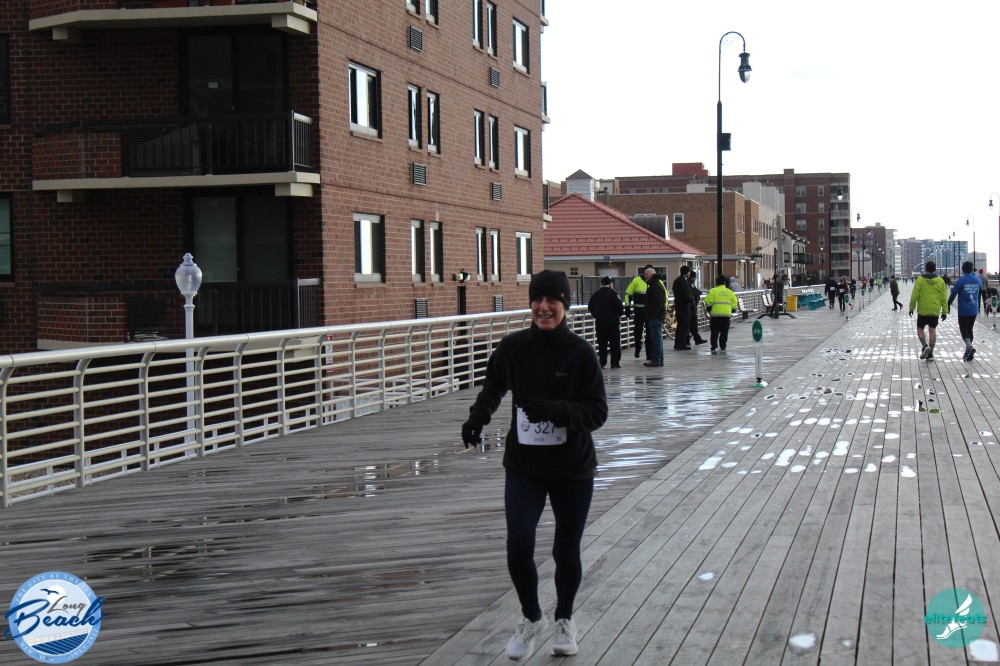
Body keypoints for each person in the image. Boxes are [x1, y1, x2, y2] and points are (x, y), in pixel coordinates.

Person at [460, 269, 608, 660]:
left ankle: (565, 619)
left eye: (552, 301)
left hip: (572, 467)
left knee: (566, 550)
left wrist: (555, 411)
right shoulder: (513, 347)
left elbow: (597, 412)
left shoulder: (581, 353)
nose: (544, 308)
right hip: (525, 465)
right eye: (538, 300)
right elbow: (494, 385)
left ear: (565, 305)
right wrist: (477, 418)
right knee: (519, 544)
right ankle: (531, 617)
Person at [909, 260, 949, 361]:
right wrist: (944, 311)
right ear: (935, 269)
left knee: (920, 329)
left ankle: (925, 346)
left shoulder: (920, 280)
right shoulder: (940, 281)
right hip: (935, 310)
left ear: (926, 269)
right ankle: (930, 354)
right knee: (932, 330)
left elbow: (914, 295)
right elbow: (944, 298)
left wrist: (911, 308)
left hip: (923, 310)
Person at [588, 276, 624, 369]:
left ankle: (602, 362)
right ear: (610, 284)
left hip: (600, 323)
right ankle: (615, 363)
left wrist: (597, 316)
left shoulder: (596, 294)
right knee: (614, 343)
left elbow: (590, 307)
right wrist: (618, 315)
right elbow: (620, 308)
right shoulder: (613, 294)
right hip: (613, 323)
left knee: (602, 344)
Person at [949, 261, 982, 361]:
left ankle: (969, 346)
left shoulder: (961, 281)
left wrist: (948, 305)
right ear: (972, 269)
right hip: (974, 309)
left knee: (964, 330)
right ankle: (969, 353)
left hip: (964, 310)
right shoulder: (978, 280)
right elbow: (980, 292)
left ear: (963, 270)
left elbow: (953, 294)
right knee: (970, 329)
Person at [623, 265, 654, 360]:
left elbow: (664, 296)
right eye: (645, 273)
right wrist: (627, 307)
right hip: (639, 311)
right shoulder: (636, 281)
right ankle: (638, 348)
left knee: (650, 333)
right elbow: (628, 293)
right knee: (638, 331)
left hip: (650, 312)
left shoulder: (656, 282)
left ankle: (649, 354)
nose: (646, 275)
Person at [704, 275, 739, 352]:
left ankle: (714, 345)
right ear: (724, 283)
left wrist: (708, 308)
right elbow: (734, 302)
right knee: (724, 331)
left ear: (716, 282)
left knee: (714, 331)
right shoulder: (730, 292)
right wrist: (733, 309)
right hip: (726, 315)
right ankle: (723, 345)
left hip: (715, 315)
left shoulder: (713, 291)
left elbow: (708, 301)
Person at [644, 268, 667, 367]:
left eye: (646, 274)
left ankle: (656, 360)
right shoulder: (655, 285)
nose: (644, 276)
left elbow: (657, 304)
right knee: (657, 338)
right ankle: (658, 360)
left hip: (655, 316)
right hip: (657, 315)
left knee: (656, 339)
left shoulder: (656, 286)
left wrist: (651, 313)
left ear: (652, 275)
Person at [671, 266, 694, 350]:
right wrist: (691, 299)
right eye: (689, 272)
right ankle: (682, 344)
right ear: (687, 272)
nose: (689, 274)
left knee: (680, 325)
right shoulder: (684, 282)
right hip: (684, 306)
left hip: (678, 305)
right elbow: (686, 294)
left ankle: (677, 343)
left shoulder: (676, 281)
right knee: (685, 325)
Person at [686, 270, 707, 346]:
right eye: (695, 277)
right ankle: (694, 338)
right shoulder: (690, 283)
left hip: (691, 306)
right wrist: (698, 292)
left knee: (690, 324)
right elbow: (694, 292)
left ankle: (690, 339)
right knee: (693, 323)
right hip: (691, 306)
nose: (695, 279)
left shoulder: (688, 283)